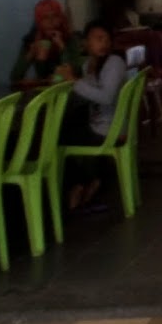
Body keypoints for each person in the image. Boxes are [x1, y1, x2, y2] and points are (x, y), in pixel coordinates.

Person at [57, 20, 129, 211]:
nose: (103, 43)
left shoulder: (114, 63)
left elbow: (106, 97)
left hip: (110, 129)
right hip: (99, 125)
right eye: (98, 39)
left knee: (57, 138)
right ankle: (89, 180)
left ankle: (81, 183)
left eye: (106, 39)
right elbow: (87, 94)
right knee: (65, 128)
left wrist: (73, 81)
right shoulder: (89, 64)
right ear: (85, 43)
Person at [11, 0, 80, 85]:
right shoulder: (32, 39)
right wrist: (31, 54)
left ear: (60, 18)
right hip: (44, 89)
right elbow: (15, 77)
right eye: (45, 18)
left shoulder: (69, 38)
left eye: (55, 16)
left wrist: (62, 48)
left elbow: (77, 71)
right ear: (39, 22)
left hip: (67, 87)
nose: (51, 21)